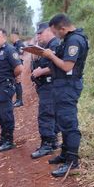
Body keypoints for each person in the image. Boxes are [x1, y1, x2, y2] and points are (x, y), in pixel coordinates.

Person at [41, 13, 89, 177]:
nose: (55, 36)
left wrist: (50, 55)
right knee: (62, 121)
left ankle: (72, 162)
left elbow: (67, 66)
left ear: (63, 28)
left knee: (69, 122)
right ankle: (65, 154)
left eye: (55, 33)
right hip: (62, 86)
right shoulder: (68, 39)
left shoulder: (75, 40)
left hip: (68, 86)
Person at [0, 29, 23, 152]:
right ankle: (3, 137)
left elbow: (19, 68)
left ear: (4, 37)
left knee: (6, 114)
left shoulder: (9, 50)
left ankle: (9, 140)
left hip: (5, 87)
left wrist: (11, 77)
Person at [30, 22, 61, 159]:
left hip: (50, 86)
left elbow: (58, 65)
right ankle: (53, 141)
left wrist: (40, 72)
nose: (38, 36)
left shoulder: (54, 45)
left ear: (49, 31)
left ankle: (47, 144)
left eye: (40, 33)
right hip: (46, 86)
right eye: (37, 33)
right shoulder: (47, 46)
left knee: (46, 114)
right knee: (51, 113)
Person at [11, 30, 26, 107]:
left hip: (18, 66)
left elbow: (20, 56)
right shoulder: (14, 44)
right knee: (15, 82)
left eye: (12, 36)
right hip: (14, 66)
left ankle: (19, 100)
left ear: (15, 36)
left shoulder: (20, 44)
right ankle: (17, 100)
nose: (11, 38)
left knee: (18, 82)